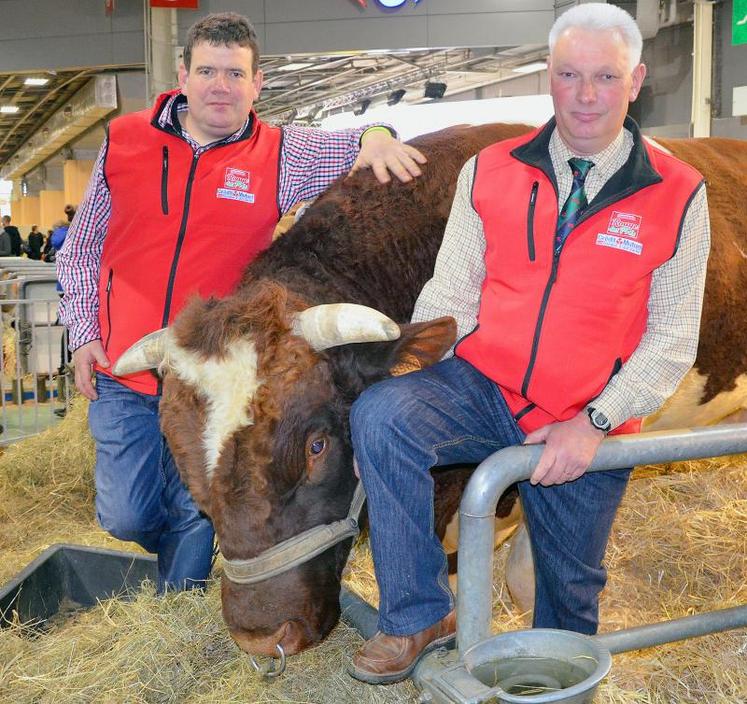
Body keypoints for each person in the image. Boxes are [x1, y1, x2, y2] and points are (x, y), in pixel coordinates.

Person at [348, 2, 710, 685]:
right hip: (485, 386)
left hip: (585, 412)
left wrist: (593, 423)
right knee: (380, 416)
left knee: (567, 603)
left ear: (634, 82)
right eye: (569, 74)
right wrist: (403, 381)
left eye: (603, 77)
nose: (584, 94)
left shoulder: (677, 194)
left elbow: (669, 341)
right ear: (549, 74)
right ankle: (417, 612)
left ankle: (557, 687)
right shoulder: (489, 170)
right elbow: (449, 296)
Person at [56, 12, 426, 595]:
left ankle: (179, 606)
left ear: (257, 83)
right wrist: (82, 332)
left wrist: (378, 137)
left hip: (216, 385)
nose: (219, 85)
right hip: (126, 367)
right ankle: (179, 557)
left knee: (200, 508)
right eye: (207, 70)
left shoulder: (281, 154)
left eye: (234, 73)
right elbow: (81, 249)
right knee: (123, 514)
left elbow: (360, 139)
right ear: (183, 74)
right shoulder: (124, 141)